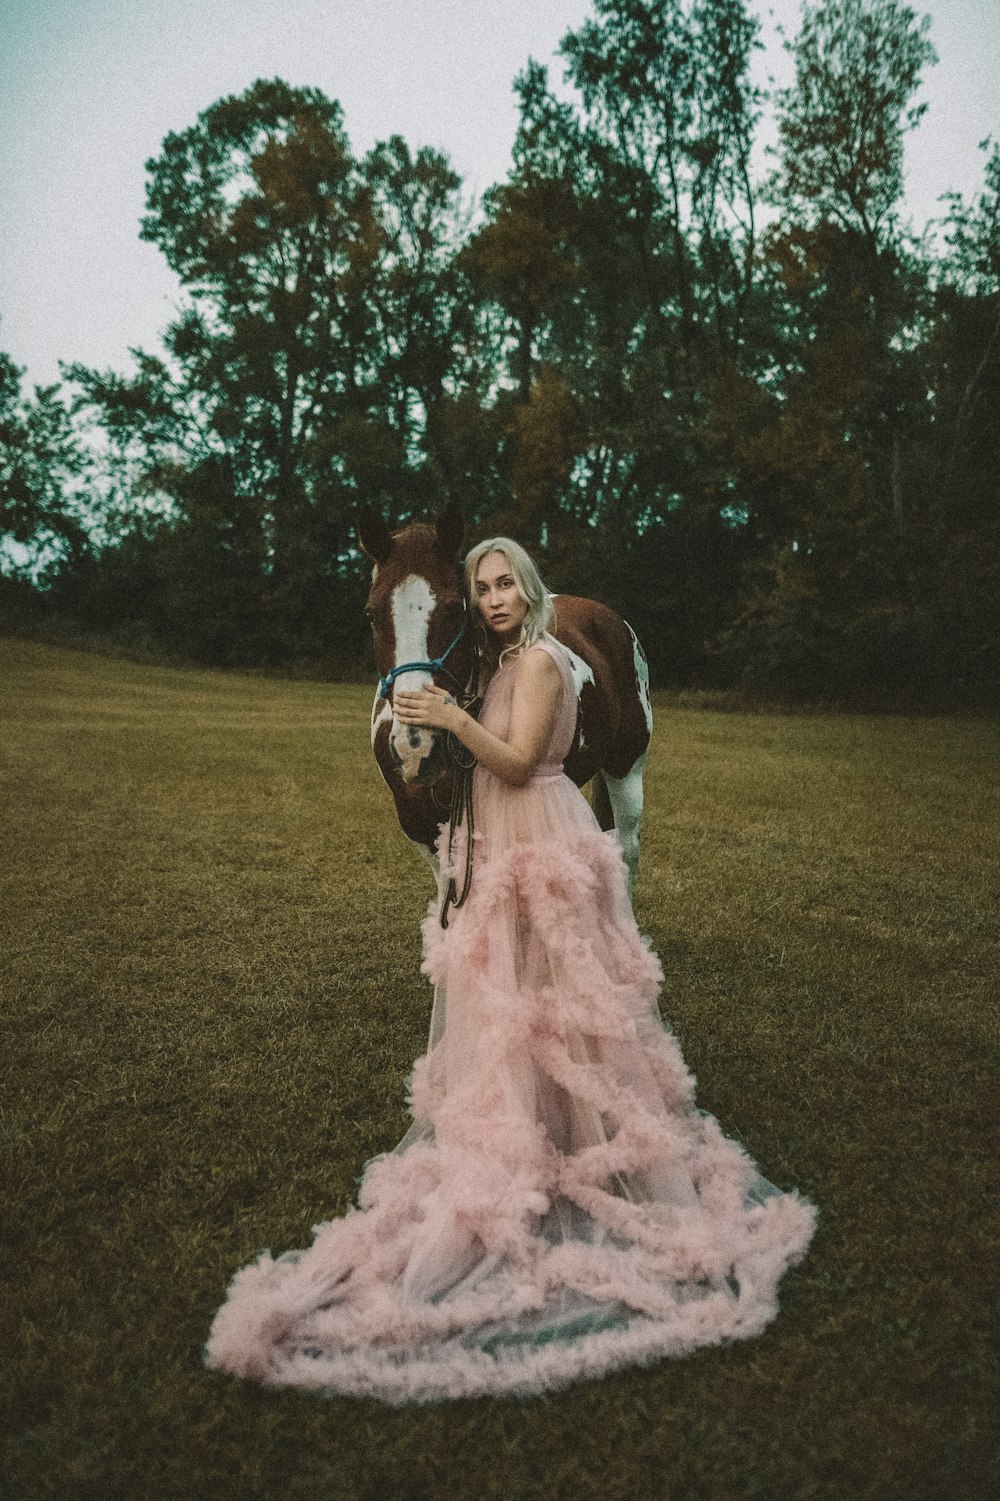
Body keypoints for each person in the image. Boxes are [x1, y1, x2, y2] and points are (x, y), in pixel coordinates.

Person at [205, 539, 816, 1402]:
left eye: (503, 584)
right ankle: (535, 1119)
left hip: (542, 826)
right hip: (509, 834)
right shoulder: (488, 658)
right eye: (482, 586)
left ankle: (580, 1136)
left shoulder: (536, 663)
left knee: (559, 993)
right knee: (518, 992)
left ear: (528, 590)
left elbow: (523, 760)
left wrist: (453, 722)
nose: (493, 598)